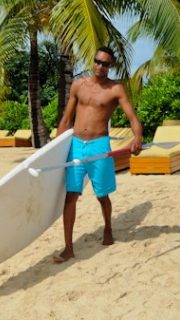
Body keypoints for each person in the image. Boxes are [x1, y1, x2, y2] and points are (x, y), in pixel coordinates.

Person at [53, 46, 143, 263]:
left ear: (109, 67)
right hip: (76, 145)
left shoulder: (115, 89)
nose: (101, 66)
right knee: (70, 196)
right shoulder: (78, 85)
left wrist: (137, 138)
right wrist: (55, 149)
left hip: (99, 146)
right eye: (98, 62)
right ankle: (68, 248)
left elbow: (132, 117)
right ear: (92, 61)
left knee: (102, 195)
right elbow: (66, 119)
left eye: (105, 64)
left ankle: (108, 228)